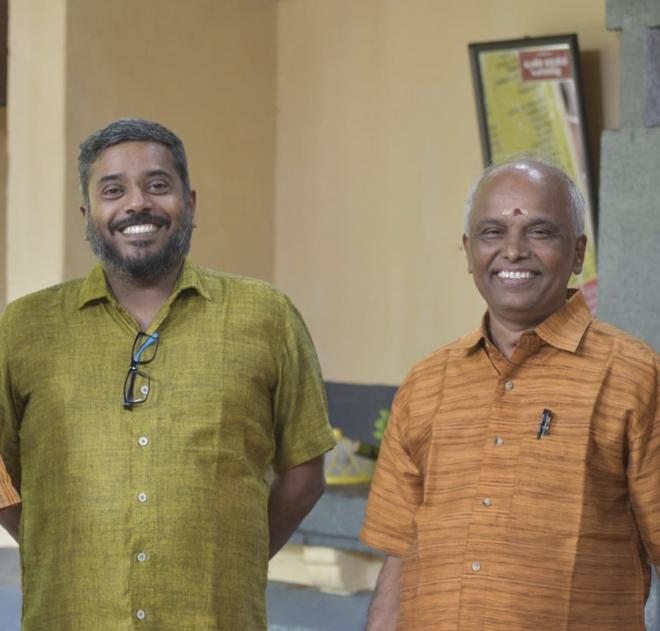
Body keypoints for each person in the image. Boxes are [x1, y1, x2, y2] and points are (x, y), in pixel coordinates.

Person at [0, 118, 336, 630]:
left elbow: (305, 472)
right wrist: (54, 548)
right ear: (87, 215)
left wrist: (234, 560)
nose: (137, 203)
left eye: (157, 185)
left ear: (190, 204)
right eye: (113, 190)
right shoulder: (26, 326)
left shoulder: (266, 316)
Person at [361, 159, 660, 630]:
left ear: (578, 252)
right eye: (492, 232)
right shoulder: (426, 383)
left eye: (539, 232)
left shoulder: (634, 375)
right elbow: (399, 551)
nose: (514, 251)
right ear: (469, 252)